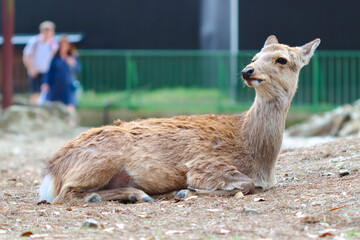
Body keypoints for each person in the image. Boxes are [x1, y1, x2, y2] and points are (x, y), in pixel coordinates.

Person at [41, 35, 80, 115]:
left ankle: (71, 122)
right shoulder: (55, 58)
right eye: (62, 44)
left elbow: (78, 70)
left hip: (67, 85)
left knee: (70, 105)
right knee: (53, 105)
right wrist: (46, 83)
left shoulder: (73, 57)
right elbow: (50, 72)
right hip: (55, 85)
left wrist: (72, 64)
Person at [23, 21, 58, 104]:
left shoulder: (53, 44)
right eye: (45, 30)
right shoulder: (34, 42)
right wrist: (31, 68)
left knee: (46, 92)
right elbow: (26, 56)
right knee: (35, 93)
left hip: (47, 72)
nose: (47, 33)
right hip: (35, 71)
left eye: (49, 31)